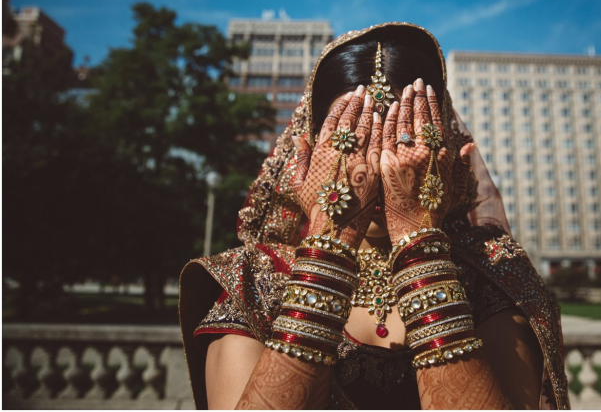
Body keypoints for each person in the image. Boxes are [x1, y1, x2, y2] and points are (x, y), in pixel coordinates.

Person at [179, 23, 570, 409]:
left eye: (404, 139)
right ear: (309, 154)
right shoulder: (254, 282)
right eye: (353, 141)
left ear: (449, 152)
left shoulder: (491, 273)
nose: (380, 168)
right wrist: (328, 247)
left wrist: (421, 249)